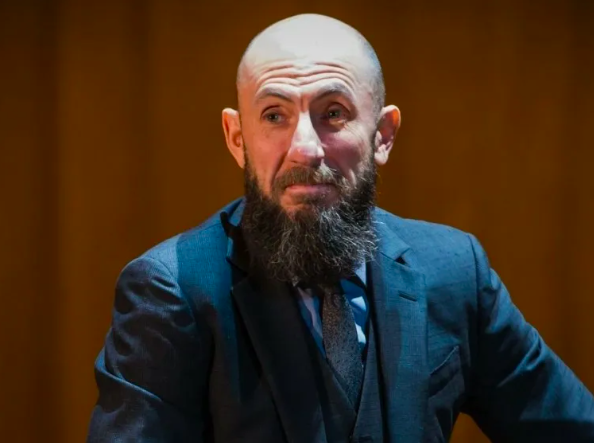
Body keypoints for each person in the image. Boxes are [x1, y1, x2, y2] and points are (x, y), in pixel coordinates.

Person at [87, 13, 594, 443]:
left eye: (333, 113)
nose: (305, 148)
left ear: (383, 135)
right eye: (274, 115)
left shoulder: (455, 270)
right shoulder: (171, 290)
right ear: (237, 138)